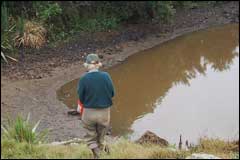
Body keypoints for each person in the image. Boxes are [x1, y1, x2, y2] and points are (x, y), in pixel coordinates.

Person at [77, 53, 115, 158]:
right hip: (104, 113)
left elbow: (81, 97)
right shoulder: (106, 76)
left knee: (90, 136)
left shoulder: (83, 79)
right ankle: (104, 149)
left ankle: (97, 155)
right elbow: (112, 93)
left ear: (87, 65)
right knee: (101, 136)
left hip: (89, 113)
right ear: (98, 64)